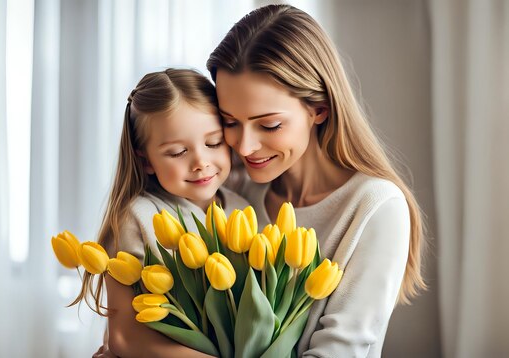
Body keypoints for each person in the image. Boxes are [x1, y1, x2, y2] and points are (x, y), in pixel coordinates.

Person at [206, 4, 426, 357]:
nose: (244, 146)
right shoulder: (230, 192)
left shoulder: (375, 208)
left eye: (269, 125)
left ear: (319, 109)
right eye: (230, 121)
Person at [76, 68, 247, 358]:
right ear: (146, 161)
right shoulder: (136, 218)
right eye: (178, 151)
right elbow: (123, 337)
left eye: (214, 143)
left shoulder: (243, 211)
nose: (200, 162)